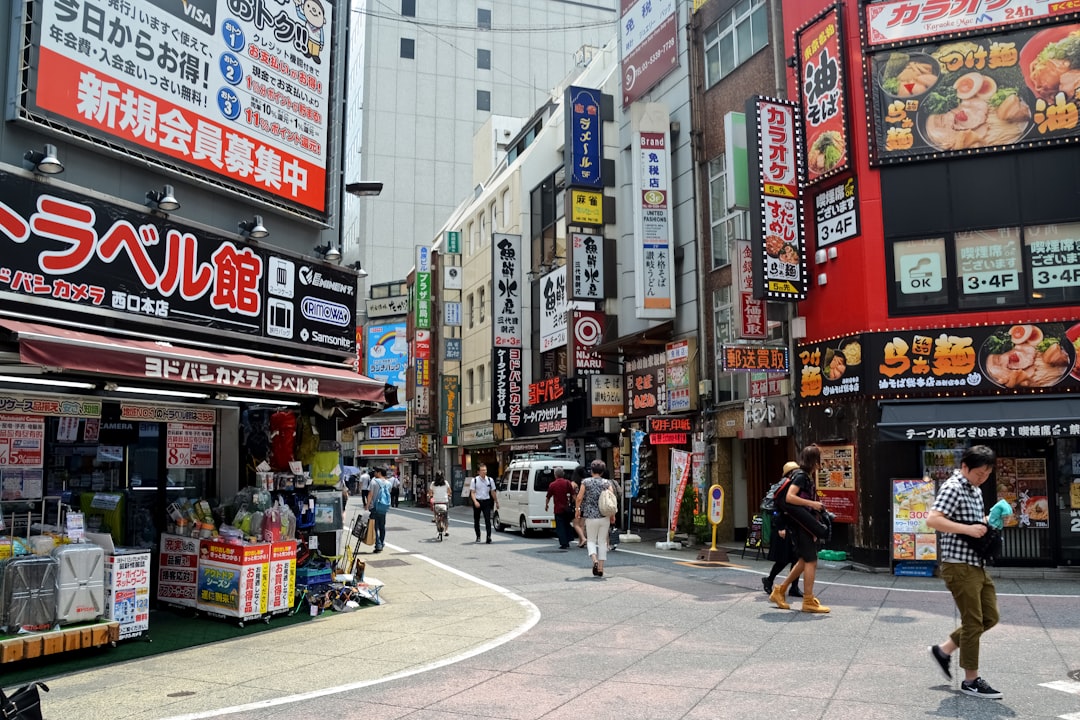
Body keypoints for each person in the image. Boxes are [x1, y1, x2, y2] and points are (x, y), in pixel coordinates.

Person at [926, 444, 1002, 699]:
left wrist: (985, 522)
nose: (983, 478)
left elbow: (970, 520)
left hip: (976, 563)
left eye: (987, 474)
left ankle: (943, 650)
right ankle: (971, 680)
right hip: (958, 564)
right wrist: (969, 530)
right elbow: (933, 519)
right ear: (965, 467)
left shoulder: (976, 490)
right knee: (973, 622)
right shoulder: (953, 487)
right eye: (980, 473)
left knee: (989, 617)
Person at [768, 444, 830, 613]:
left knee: (804, 560)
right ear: (814, 461)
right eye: (819, 459)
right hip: (800, 525)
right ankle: (808, 601)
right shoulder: (801, 476)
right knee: (811, 561)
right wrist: (813, 504)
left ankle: (780, 590)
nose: (820, 463)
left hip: (803, 525)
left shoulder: (804, 476)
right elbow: (790, 497)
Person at [762, 461, 802, 598]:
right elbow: (775, 509)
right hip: (783, 527)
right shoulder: (784, 486)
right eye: (795, 471)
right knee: (783, 559)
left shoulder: (795, 486)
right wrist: (780, 527)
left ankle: (794, 587)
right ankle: (769, 580)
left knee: (796, 559)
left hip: (792, 526)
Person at [576, 459, 613, 577]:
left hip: (590, 516)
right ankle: (601, 568)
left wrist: (577, 510)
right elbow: (611, 500)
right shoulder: (607, 483)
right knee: (602, 541)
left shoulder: (585, 482)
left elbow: (579, 497)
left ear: (591, 470)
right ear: (602, 471)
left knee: (591, 540)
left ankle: (595, 560)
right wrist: (612, 516)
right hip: (604, 516)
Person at [545, 467, 576, 550]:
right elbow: (573, 495)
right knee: (567, 524)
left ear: (555, 475)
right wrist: (573, 504)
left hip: (558, 508)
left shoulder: (552, 484)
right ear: (563, 474)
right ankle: (569, 539)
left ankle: (563, 543)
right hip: (566, 508)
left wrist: (546, 505)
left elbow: (548, 496)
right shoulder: (567, 483)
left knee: (560, 526)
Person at [469, 463, 499, 544]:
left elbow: (493, 492)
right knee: (477, 520)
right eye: (482, 470)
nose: (484, 472)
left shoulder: (490, 480)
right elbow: (472, 492)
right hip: (478, 501)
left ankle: (488, 537)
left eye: (485, 470)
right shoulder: (474, 480)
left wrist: (496, 501)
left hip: (486, 501)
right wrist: (475, 501)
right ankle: (478, 536)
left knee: (487, 520)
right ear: (478, 472)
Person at [365, 467, 392, 553]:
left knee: (374, 527)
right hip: (383, 507)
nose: (374, 473)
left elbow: (370, 495)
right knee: (382, 526)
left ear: (379, 473)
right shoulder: (388, 483)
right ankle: (382, 542)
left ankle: (378, 545)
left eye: (375, 472)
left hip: (374, 507)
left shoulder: (373, 482)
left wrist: (367, 506)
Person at [570, 466, 588, 548]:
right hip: (585, 505)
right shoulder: (586, 482)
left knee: (575, 524)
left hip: (577, 505)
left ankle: (583, 539)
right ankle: (581, 541)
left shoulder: (573, 484)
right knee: (582, 525)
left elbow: (575, 497)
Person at [429, 472, 450, 536]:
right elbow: (449, 491)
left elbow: (430, 493)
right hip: (444, 501)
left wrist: (431, 496)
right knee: (446, 516)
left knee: (436, 511)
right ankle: (446, 531)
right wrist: (447, 495)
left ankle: (435, 518)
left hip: (436, 501)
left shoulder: (433, 483)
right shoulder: (446, 483)